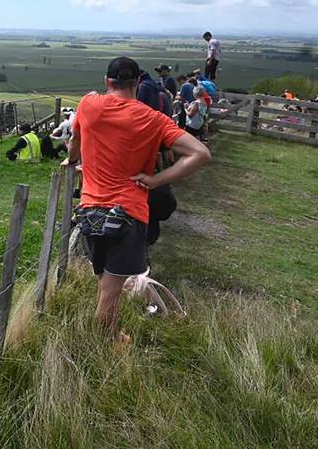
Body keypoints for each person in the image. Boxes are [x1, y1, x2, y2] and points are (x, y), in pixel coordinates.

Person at [65, 57, 211, 343]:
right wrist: (156, 180)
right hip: (128, 213)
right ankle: (108, 345)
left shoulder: (88, 105)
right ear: (137, 83)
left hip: (89, 210)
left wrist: (71, 161)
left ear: (108, 82)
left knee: (108, 282)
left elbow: (75, 143)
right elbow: (200, 154)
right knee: (111, 289)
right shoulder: (152, 119)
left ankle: (109, 336)